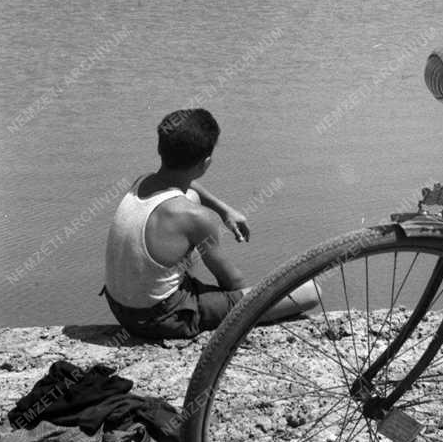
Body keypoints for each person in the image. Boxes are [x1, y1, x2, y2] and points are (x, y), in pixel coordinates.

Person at [104, 109, 320, 339]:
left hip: (119, 306)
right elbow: (232, 283)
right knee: (311, 292)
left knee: (189, 201)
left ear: (160, 148)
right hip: (161, 318)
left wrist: (224, 210)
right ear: (206, 163)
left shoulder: (143, 181)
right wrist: (246, 301)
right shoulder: (196, 218)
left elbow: (187, 187)